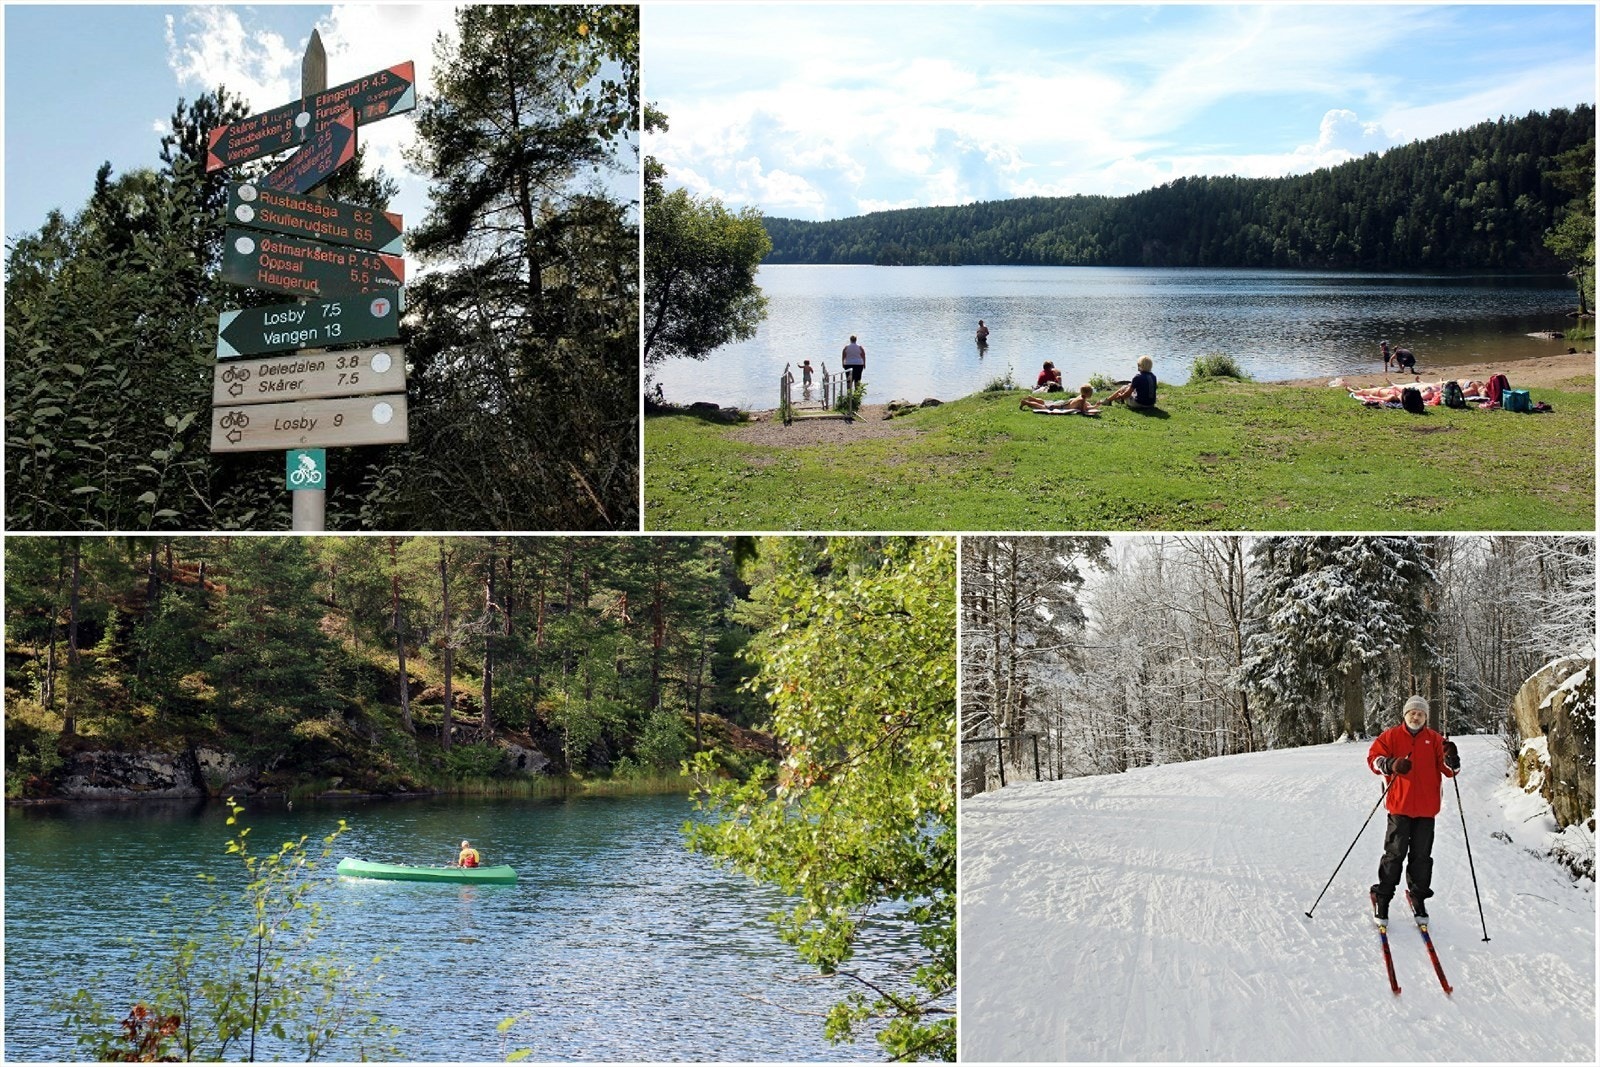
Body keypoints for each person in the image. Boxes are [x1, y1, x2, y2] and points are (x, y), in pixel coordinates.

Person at [1367, 696, 1460, 923]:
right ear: (1405, 714)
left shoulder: (1436, 739)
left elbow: (1450, 771)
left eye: (1420, 713)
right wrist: (1391, 764)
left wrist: (1452, 759)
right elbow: (1373, 759)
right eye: (1412, 713)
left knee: (1421, 857)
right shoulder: (1391, 736)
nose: (1415, 716)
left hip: (1427, 809)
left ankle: (1418, 896)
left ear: (1425, 717)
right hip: (1399, 806)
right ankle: (1382, 896)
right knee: (1395, 854)